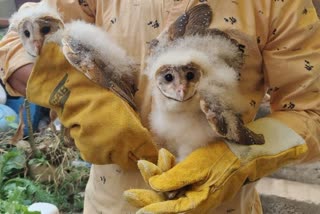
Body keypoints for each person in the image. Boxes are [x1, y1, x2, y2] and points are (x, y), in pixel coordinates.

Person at [1, 0, 320, 213]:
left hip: (222, 205)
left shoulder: (279, 4)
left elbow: (312, 110)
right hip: (111, 203)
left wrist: (240, 157)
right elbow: (22, 38)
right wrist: (75, 97)